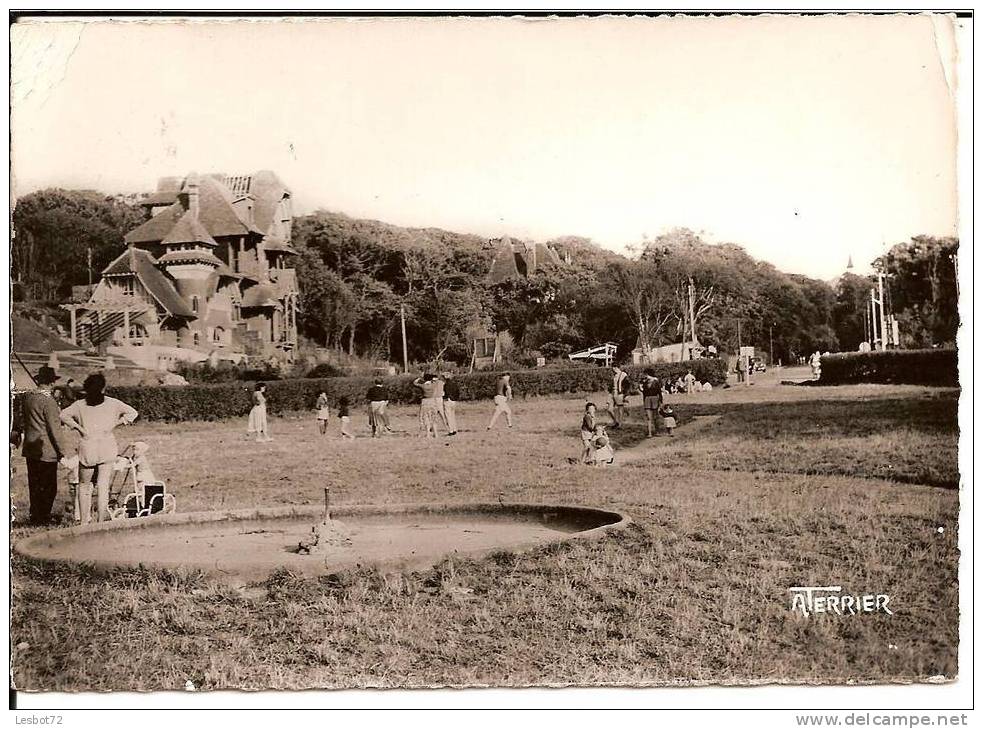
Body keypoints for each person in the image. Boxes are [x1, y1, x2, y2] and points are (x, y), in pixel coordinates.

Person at [60, 373, 138, 524]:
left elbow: (63, 415)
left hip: (88, 445)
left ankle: (84, 523)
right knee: (103, 486)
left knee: (84, 486)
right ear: (103, 388)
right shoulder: (113, 403)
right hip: (107, 445)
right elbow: (132, 413)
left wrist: (79, 428)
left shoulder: (79, 404)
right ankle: (101, 522)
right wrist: (117, 423)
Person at [10, 365, 70, 525]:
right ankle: (43, 517)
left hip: (31, 447)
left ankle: (35, 514)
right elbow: (54, 429)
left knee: (35, 484)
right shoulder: (48, 401)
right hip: (47, 449)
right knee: (48, 486)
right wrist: (62, 452)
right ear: (51, 383)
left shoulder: (28, 397)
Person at [413, 373, 441, 438]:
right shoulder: (434, 385)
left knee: (426, 418)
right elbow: (437, 380)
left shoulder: (423, 386)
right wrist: (433, 379)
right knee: (434, 418)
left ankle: (428, 434)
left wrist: (420, 378)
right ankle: (436, 434)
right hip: (432, 401)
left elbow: (414, 383)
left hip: (425, 402)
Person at [641, 369, 663, 438]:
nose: (645, 376)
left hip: (654, 399)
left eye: (646, 374)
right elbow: (644, 393)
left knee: (656, 416)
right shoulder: (645, 382)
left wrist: (661, 401)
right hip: (647, 399)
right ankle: (650, 433)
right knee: (649, 417)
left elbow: (659, 392)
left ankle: (657, 431)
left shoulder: (656, 381)